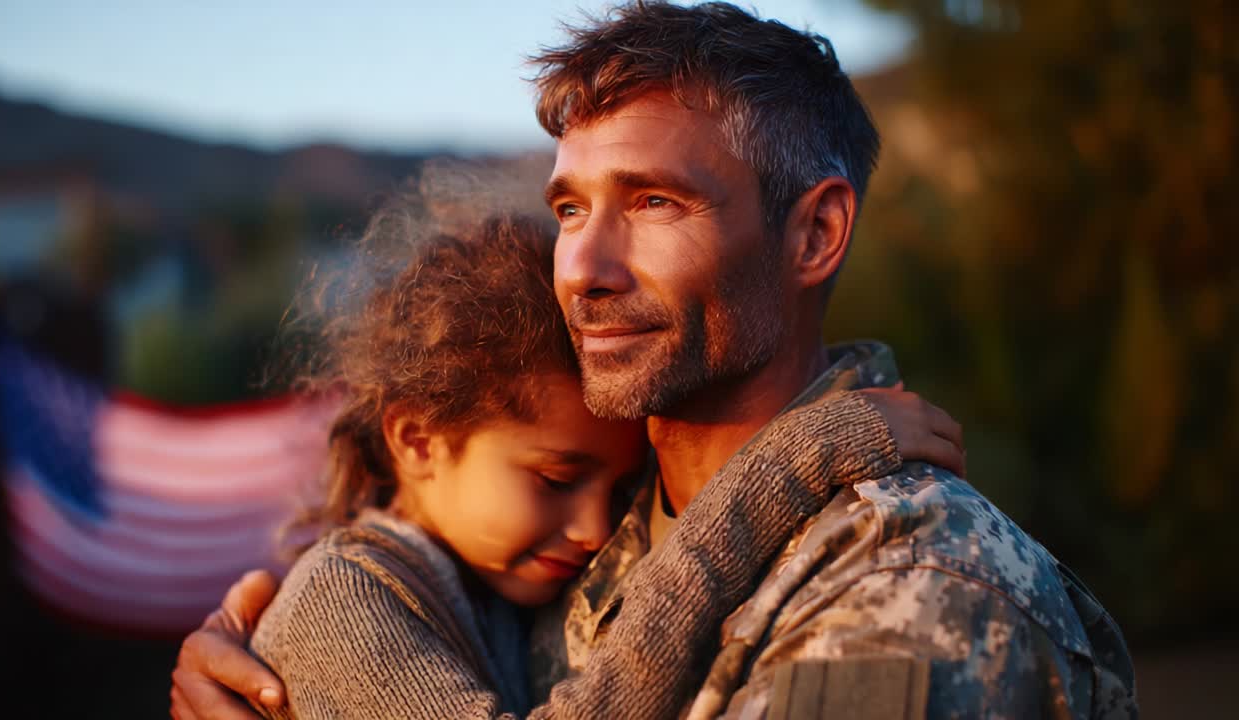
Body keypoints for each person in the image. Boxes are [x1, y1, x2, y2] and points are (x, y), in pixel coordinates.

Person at [171, 2, 1136, 718]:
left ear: (816, 234)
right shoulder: (582, 528)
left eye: (656, 203)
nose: (582, 270)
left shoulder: (916, 580)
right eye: (569, 209)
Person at [244, 210, 963, 719]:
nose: (595, 528)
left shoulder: (481, 582)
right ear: (419, 441)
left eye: (618, 488)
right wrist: (788, 463)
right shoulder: (337, 601)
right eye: (555, 479)